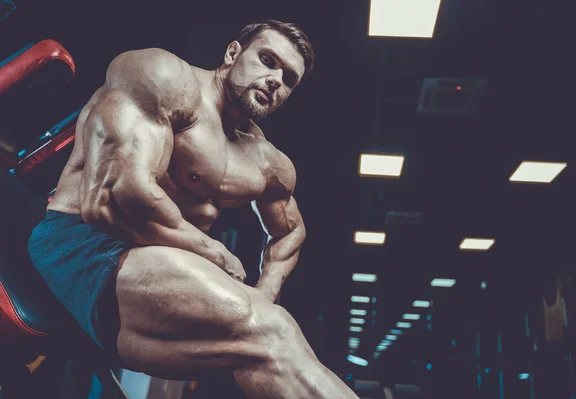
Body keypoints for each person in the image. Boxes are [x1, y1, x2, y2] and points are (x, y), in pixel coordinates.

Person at [28, 19, 359, 398]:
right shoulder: (164, 78)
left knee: (275, 338)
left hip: (152, 270)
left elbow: (290, 232)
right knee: (272, 332)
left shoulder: (267, 161)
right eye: (267, 60)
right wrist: (216, 253)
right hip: (83, 244)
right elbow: (115, 198)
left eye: (288, 80)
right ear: (233, 53)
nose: (275, 80)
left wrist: (266, 290)